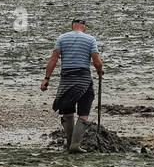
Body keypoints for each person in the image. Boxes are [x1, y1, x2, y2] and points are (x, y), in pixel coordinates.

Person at [40, 18, 105, 153]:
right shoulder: (90, 39)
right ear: (84, 27)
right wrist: (99, 71)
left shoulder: (62, 38)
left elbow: (53, 59)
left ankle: (69, 143)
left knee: (67, 109)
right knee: (84, 109)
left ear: (72, 27)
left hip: (66, 78)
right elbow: (96, 61)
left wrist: (46, 78)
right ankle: (75, 145)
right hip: (83, 78)